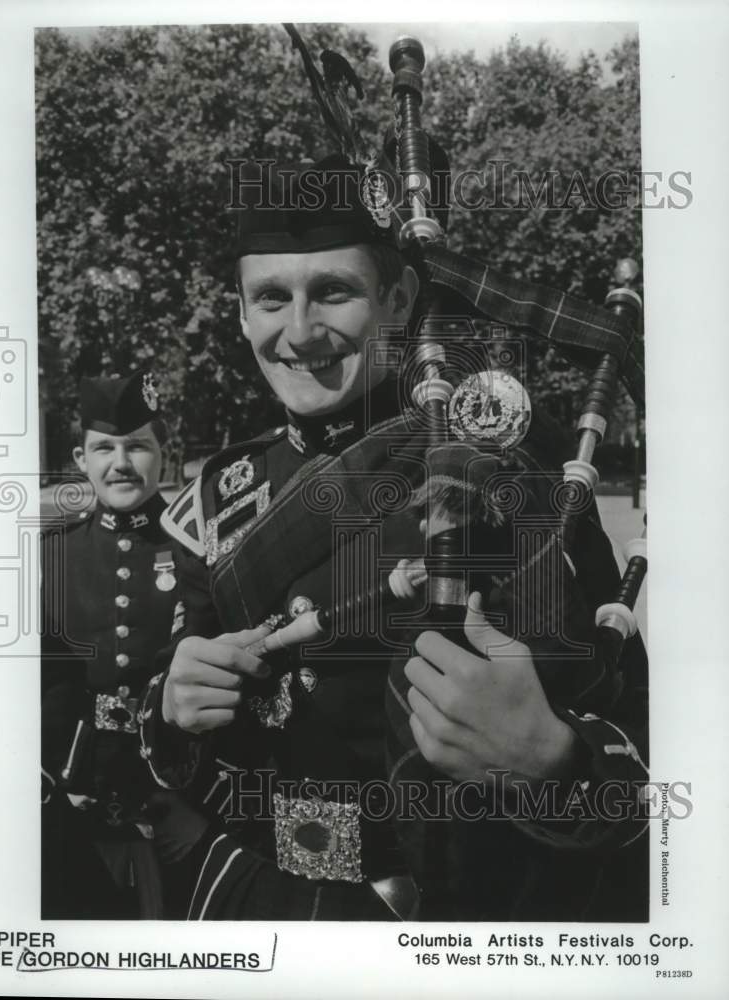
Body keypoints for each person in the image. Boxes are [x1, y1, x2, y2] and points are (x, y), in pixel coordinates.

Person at [139, 157, 649, 921]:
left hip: (471, 915)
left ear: (400, 296)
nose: (300, 331)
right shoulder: (215, 500)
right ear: (241, 312)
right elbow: (176, 726)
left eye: (334, 292)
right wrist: (172, 707)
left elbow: (636, 729)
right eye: (271, 297)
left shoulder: (512, 469)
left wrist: (552, 758)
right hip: (265, 905)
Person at [40, 370, 207, 919]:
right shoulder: (52, 555)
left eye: (137, 446)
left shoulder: (199, 552)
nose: (120, 462)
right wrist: (58, 783)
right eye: (103, 448)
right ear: (80, 458)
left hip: (181, 801)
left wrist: (195, 808)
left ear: (165, 452)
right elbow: (42, 686)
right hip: (78, 800)